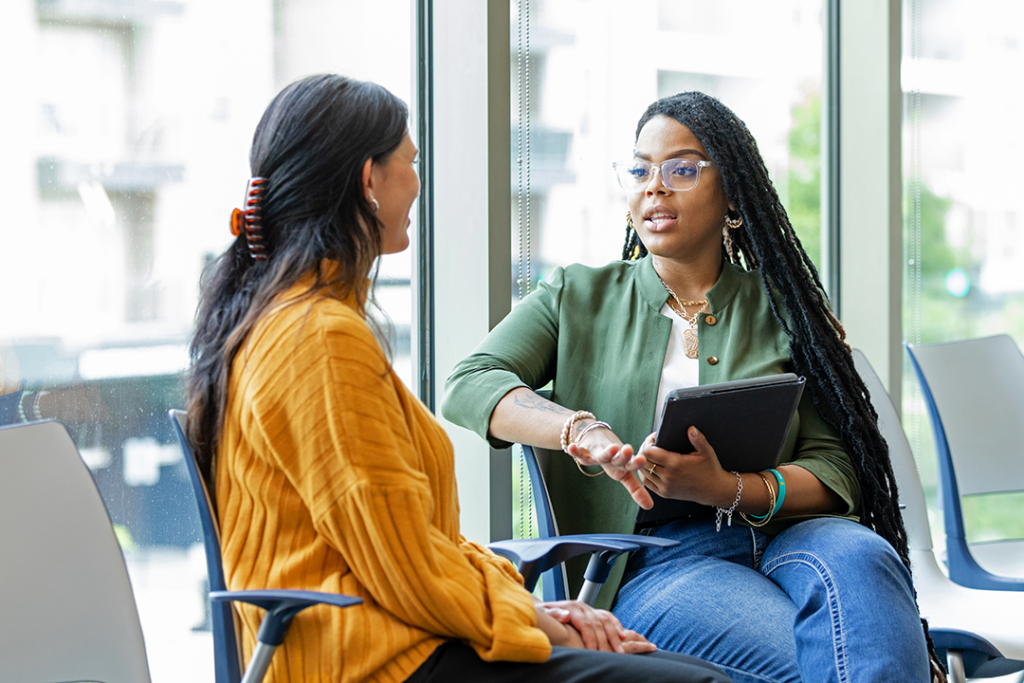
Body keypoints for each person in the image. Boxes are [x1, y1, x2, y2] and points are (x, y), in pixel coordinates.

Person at [184, 74, 730, 683]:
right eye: (410, 162)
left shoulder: (301, 322)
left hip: (395, 633)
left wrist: (536, 608)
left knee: (678, 670)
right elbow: (405, 565)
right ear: (370, 181)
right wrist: (543, 624)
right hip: (370, 658)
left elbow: (416, 547)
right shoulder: (317, 339)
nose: (418, 183)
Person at [442, 91, 944, 683]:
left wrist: (728, 487)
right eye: (640, 169)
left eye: (681, 169)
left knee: (866, 558)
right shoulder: (577, 296)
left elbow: (836, 469)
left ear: (731, 193)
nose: (655, 187)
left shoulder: (786, 309)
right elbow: (469, 383)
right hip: (664, 560)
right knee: (839, 664)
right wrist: (581, 429)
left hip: (798, 537)